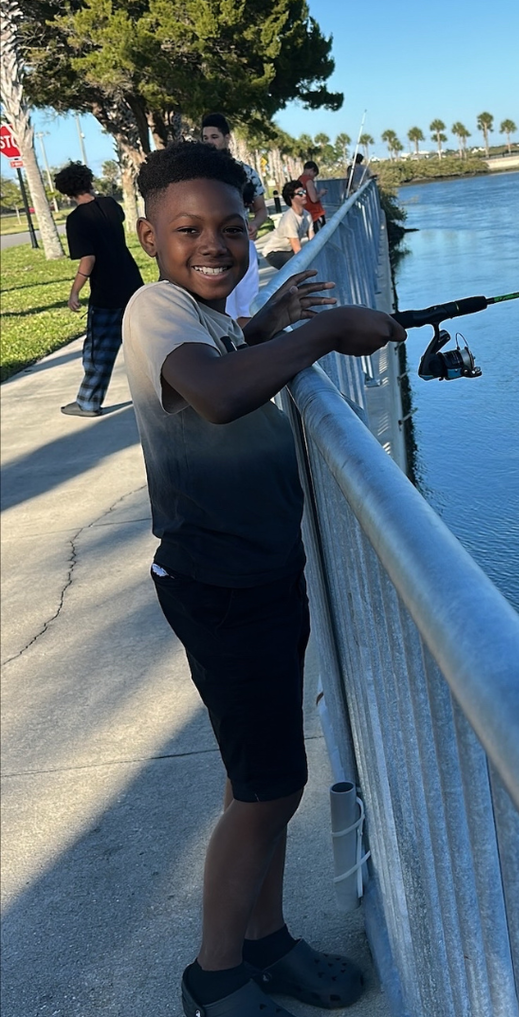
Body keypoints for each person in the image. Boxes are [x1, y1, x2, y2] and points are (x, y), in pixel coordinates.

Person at [122, 140, 406, 1017]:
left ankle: (267, 939)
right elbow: (212, 393)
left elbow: (223, 354)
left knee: (266, 776)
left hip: (264, 570)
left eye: (232, 228)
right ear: (148, 235)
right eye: (188, 229)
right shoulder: (151, 307)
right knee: (266, 787)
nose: (215, 244)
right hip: (219, 584)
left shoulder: (204, 315)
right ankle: (216, 976)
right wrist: (323, 332)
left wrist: (264, 327)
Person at [54, 162, 144, 417]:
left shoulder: (76, 220)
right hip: (132, 282)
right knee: (143, 344)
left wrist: (74, 292)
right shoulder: (110, 205)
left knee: (98, 350)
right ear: (88, 180)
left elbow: (88, 260)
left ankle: (88, 402)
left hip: (107, 291)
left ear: (66, 191)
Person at [200, 112, 268, 323]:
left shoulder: (246, 173)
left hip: (241, 245)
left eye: (215, 137)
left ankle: (246, 350)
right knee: (220, 309)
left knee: (246, 308)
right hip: (212, 248)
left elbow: (261, 210)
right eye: (205, 138)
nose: (210, 142)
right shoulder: (196, 175)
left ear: (227, 137)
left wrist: (254, 225)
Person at [261, 180, 311, 270]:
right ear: (291, 198)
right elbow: (297, 250)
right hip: (274, 253)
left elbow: (313, 240)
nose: (304, 195)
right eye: (300, 194)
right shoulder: (289, 219)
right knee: (297, 267)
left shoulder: (307, 215)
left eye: (304, 192)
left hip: (288, 250)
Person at [298, 162, 326, 233]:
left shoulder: (299, 181)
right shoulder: (308, 180)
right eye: (314, 175)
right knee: (322, 236)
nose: (313, 177)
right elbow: (314, 199)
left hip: (307, 215)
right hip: (316, 214)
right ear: (312, 170)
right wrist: (321, 193)